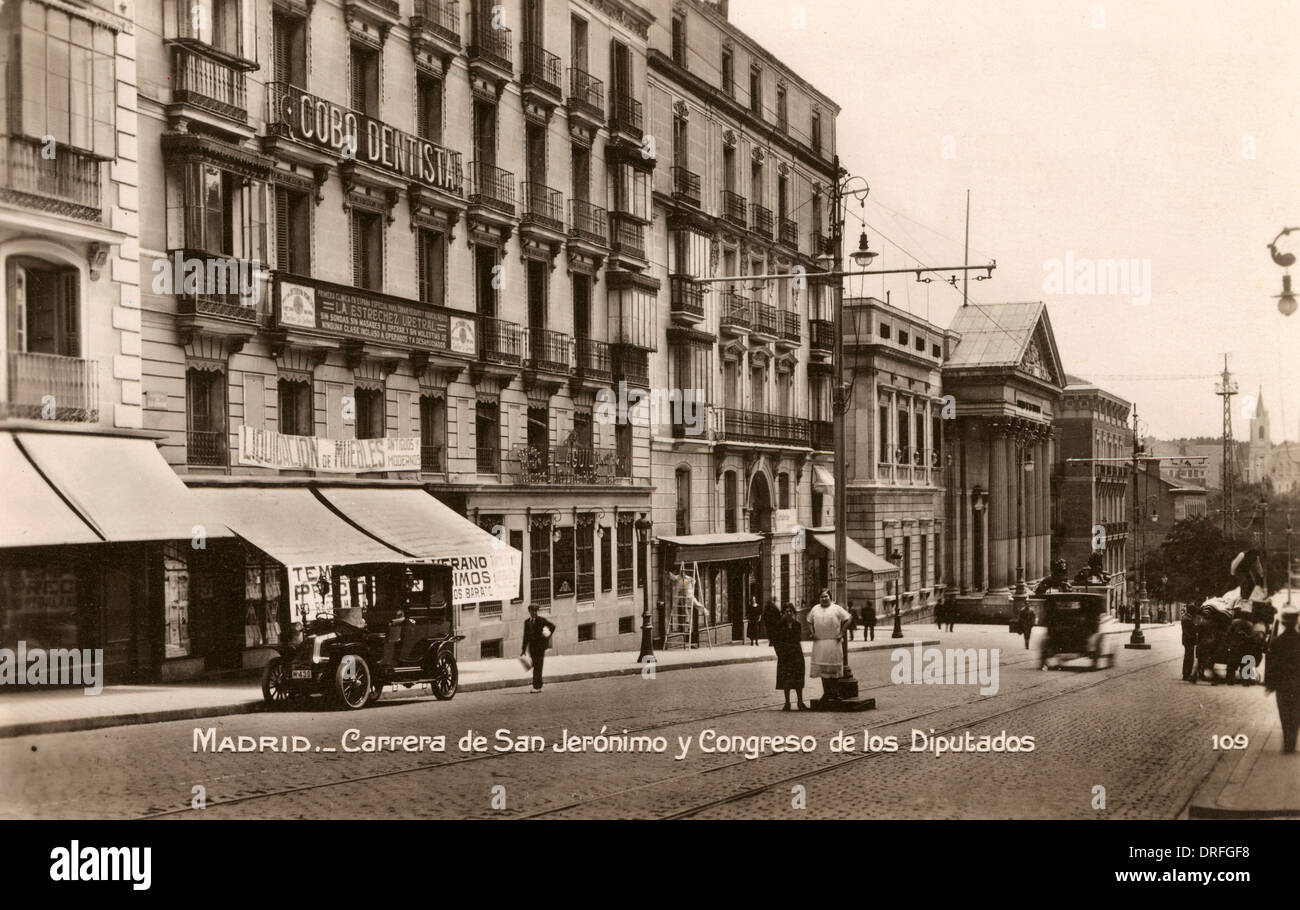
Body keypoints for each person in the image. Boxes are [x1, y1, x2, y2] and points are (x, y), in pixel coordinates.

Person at [1266, 608, 1300, 753]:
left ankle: (1288, 742)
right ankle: (1292, 741)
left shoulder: (1277, 642)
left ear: (1284, 623)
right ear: (1296, 622)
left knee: (1284, 712)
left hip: (1283, 684)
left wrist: (1269, 684)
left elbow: (1272, 664)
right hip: (1298, 683)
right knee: (1296, 712)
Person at [808, 590, 852, 702]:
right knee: (823, 670)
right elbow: (809, 620)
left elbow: (848, 618)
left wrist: (842, 632)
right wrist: (812, 632)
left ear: (830, 597)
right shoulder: (815, 608)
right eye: (822, 597)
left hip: (833, 643)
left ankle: (835, 693)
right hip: (820, 643)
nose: (824, 599)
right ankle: (826, 693)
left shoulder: (836, 608)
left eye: (826, 596)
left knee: (833, 670)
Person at [772, 602, 808, 711]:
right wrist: (780, 653)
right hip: (785, 657)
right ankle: (787, 703)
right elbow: (776, 641)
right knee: (786, 680)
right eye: (786, 611)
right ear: (783, 613)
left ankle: (800, 702)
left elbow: (797, 640)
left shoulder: (797, 625)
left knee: (798, 680)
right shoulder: (779, 625)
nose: (788, 613)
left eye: (790, 611)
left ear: (793, 612)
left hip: (796, 656)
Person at [520, 604, 556, 693]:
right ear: (529, 612)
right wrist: (523, 649)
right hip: (532, 648)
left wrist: (546, 636)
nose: (534, 613)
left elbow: (552, 626)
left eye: (536, 611)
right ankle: (539, 685)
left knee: (538, 666)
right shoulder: (527, 622)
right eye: (532, 611)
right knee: (536, 666)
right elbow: (526, 636)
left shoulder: (541, 620)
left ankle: (536, 686)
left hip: (540, 647)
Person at [1180, 604, 1199, 682]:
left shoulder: (1187, 618)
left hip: (1187, 640)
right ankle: (1186, 674)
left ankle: (1187, 673)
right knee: (1189, 657)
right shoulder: (1187, 619)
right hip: (1189, 640)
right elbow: (1191, 630)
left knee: (1189, 656)